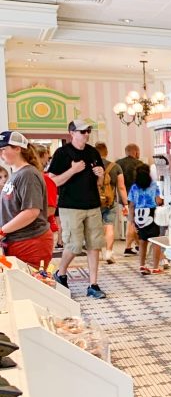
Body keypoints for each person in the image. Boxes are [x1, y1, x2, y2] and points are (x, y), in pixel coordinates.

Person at [47, 120, 106, 298]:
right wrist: (72, 170)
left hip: (93, 205)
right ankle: (61, 272)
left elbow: (100, 183)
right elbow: (53, 181)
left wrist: (101, 175)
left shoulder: (93, 152)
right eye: (82, 131)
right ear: (71, 133)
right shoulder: (62, 153)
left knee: (95, 245)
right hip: (70, 206)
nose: (86, 134)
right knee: (73, 245)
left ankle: (93, 284)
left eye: (88, 130)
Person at [0, 131, 54, 269]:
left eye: (3, 149)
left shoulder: (28, 174)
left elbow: (31, 212)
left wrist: (2, 231)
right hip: (17, 240)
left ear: (18, 148)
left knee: (30, 287)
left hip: (30, 241)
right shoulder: (16, 173)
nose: (1, 154)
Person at [127, 165, 164, 275]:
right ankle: (155, 267)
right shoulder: (155, 185)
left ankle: (142, 265)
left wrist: (131, 220)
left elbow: (131, 205)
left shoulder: (134, 187)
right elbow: (158, 201)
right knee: (155, 241)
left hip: (139, 215)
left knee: (142, 240)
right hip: (152, 214)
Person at [95, 142, 123, 264]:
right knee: (109, 226)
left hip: (94, 202)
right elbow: (121, 187)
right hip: (110, 201)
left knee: (95, 228)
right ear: (106, 152)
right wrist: (125, 203)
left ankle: (97, 253)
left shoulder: (92, 166)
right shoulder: (115, 167)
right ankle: (108, 253)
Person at [116, 143, 145, 255]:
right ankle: (129, 248)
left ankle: (135, 246)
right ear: (136, 152)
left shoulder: (118, 164)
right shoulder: (140, 164)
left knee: (132, 221)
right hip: (136, 198)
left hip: (122, 198)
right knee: (132, 222)